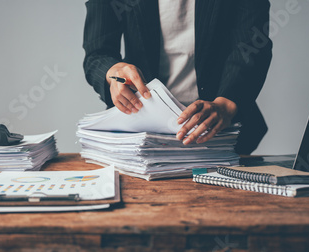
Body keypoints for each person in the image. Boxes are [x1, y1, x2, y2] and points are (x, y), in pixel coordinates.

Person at [83, 0, 272, 154]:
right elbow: (97, 53)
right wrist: (115, 74)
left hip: (221, 134)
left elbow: (253, 44)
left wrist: (227, 103)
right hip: (139, 134)